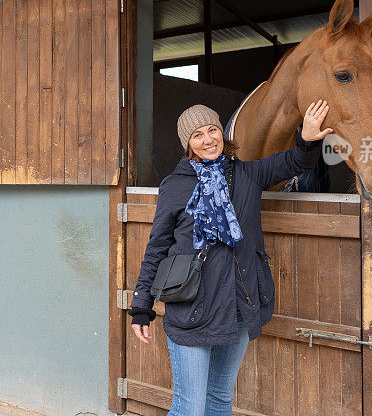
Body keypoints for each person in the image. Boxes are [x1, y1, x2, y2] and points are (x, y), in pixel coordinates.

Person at [127, 100, 332, 416]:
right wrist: (141, 305)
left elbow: (295, 162)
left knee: (220, 400)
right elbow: (157, 246)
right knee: (190, 407)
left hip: (238, 305)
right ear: (188, 144)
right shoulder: (176, 185)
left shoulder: (248, 174)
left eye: (212, 130)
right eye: (198, 135)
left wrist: (307, 137)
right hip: (192, 308)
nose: (208, 139)